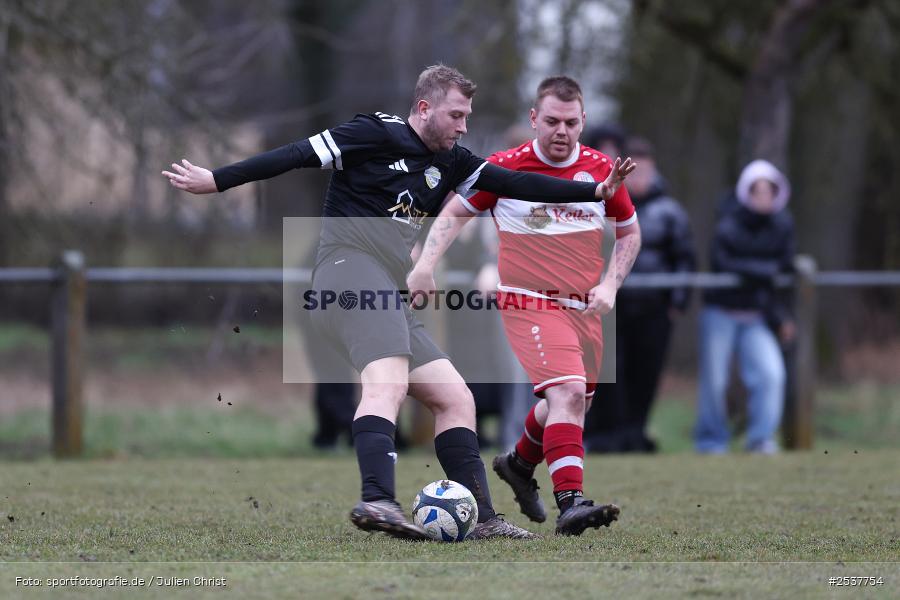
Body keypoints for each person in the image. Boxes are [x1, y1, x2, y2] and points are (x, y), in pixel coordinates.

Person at [163, 65, 634, 540]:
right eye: (456, 114)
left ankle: (485, 521)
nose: (463, 126)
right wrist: (217, 180)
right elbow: (293, 155)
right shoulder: (372, 132)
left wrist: (593, 191)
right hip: (347, 272)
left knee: (455, 398)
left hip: (387, 289)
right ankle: (378, 500)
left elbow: (518, 184)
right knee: (385, 382)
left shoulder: (453, 160)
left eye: (467, 116)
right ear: (424, 108)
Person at [408, 76, 641, 535]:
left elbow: (630, 232)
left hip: (584, 309)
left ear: (583, 121)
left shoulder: (600, 170)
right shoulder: (504, 168)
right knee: (568, 393)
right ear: (534, 118)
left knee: (569, 404)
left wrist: (610, 285)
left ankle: (518, 464)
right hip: (528, 301)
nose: (561, 131)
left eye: (571, 123)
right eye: (551, 121)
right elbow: (455, 212)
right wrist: (425, 264)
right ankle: (570, 502)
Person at [588, 137, 695, 453]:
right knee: (612, 374)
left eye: (645, 171)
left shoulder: (670, 212)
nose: (640, 179)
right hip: (614, 307)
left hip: (654, 308)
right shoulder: (605, 207)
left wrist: (677, 302)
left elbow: (685, 259)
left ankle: (636, 432)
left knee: (646, 372)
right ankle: (613, 434)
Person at [695, 159, 795, 454]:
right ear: (745, 192)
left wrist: (781, 318)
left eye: (768, 191)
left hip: (758, 315)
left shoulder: (782, 225)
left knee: (771, 374)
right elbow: (723, 263)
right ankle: (711, 441)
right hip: (721, 312)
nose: (763, 197)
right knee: (715, 381)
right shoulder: (728, 223)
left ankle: (761, 438)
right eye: (757, 191)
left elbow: (784, 271)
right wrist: (763, 270)